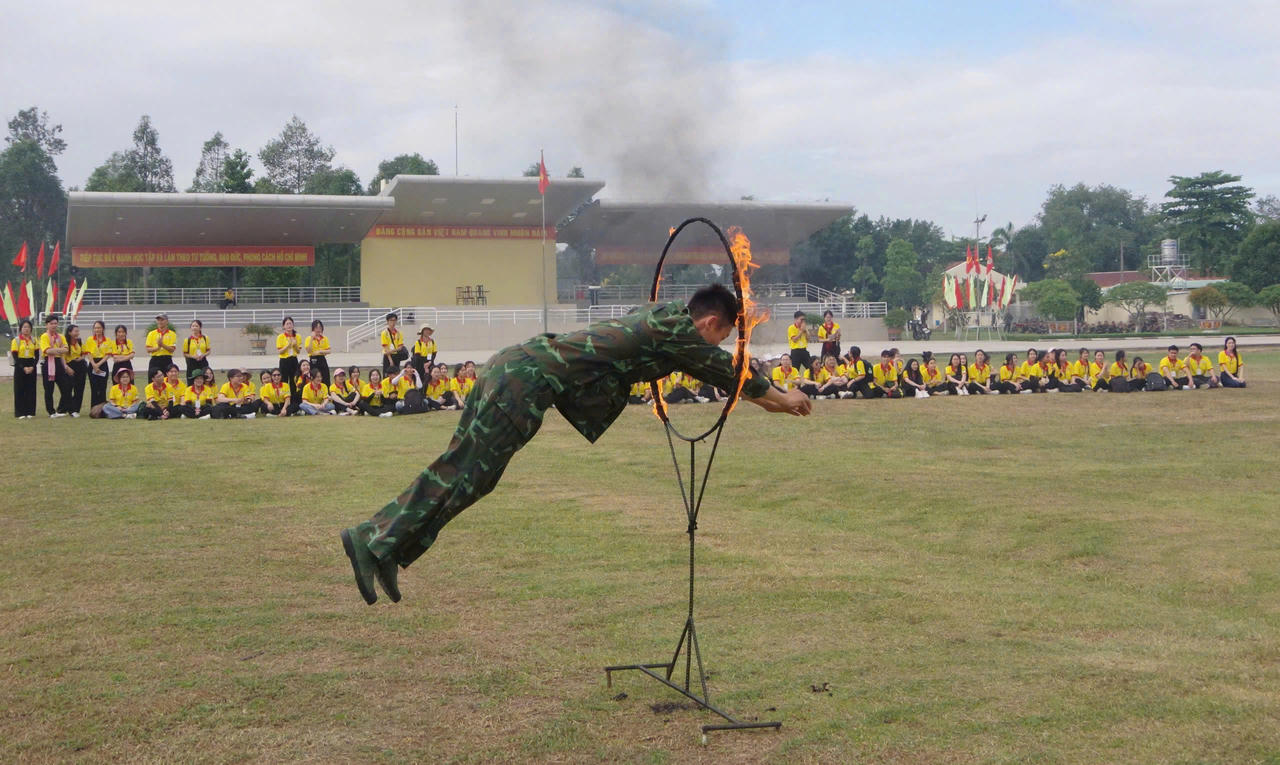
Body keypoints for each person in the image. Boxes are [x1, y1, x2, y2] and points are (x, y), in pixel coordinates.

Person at [340, 283, 811, 605]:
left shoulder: (664, 315)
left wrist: (774, 402)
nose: (718, 344)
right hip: (525, 382)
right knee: (464, 472)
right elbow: (733, 375)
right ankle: (371, 537)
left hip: (515, 368)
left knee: (470, 476)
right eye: (722, 335)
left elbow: (726, 374)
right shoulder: (681, 334)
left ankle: (390, 548)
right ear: (708, 323)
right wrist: (783, 398)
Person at [38, 315, 71, 417]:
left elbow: (66, 349)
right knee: (49, 389)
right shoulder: (44, 336)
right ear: (47, 325)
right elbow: (47, 351)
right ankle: (51, 411)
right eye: (51, 323)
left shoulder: (61, 336)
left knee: (66, 388)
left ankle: (61, 410)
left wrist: (55, 350)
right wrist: (60, 350)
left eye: (55, 323)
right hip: (48, 363)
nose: (54, 325)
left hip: (59, 363)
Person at [10, 318, 38, 418]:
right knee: (19, 389)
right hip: (20, 365)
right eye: (24, 327)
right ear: (21, 329)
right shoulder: (16, 340)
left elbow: (37, 355)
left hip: (31, 363)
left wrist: (32, 367)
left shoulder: (34, 340)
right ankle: (20, 413)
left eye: (28, 327)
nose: (26, 329)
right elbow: (15, 356)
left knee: (31, 389)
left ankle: (30, 412)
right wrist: (23, 368)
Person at [83, 320, 113, 408]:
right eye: (95, 328)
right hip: (92, 364)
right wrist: (94, 365)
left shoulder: (108, 340)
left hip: (103, 364)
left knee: (102, 387)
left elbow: (108, 355)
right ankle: (94, 409)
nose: (97, 330)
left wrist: (98, 365)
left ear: (103, 329)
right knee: (94, 388)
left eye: (99, 328)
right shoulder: (90, 339)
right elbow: (88, 353)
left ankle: (102, 409)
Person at [145, 313, 178, 381]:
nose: (160, 322)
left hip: (167, 359)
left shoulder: (172, 334)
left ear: (167, 321)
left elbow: (172, 349)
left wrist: (162, 345)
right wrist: (157, 348)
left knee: (167, 380)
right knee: (153, 380)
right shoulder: (151, 333)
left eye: (162, 320)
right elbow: (148, 349)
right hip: (155, 359)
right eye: (158, 320)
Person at [277, 317, 302, 401]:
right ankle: (284, 399)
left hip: (293, 360)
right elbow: (280, 351)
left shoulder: (297, 336)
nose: (289, 326)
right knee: (284, 380)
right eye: (287, 324)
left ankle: (294, 399)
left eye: (290, 323)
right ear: (283, 326)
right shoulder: (280, 337)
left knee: (293, 380)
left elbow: (298, 351)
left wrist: (295, 345)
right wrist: (288, 345)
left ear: (293, 325)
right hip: (284, 360)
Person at [64, 324, 87, 416]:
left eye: (78, 331)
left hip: (80, 366)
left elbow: (84, 353)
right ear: (70, 332)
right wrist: (66, 367)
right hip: (70, 366)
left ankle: (76, 409)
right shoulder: (65, 342)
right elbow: (63, 356)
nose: (77, 333)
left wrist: (81, 358)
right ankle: (68, 409)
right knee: (68, 388)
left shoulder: (79, 341)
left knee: (79, 388)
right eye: (75, 331)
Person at [183, 319, 211, 384]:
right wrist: (193, 356)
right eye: (193, 326)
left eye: (196, 326)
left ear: (200, 328)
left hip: (202, 361)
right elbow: (185, 353)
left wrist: (203, 355)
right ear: (190, 328)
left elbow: (209, 351)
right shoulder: (187, 340)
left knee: (204, 379)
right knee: (192, 380)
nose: (194, 328)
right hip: (192, 362)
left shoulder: (205, 338)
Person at [306, 319, 332, 385]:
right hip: (313, 360)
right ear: (313, 329)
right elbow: (309, 350)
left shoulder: (324, 338)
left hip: (322, 359)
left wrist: (320, 351)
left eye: (320, 327)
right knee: (314, 377)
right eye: (316, 327)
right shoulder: (308, 338)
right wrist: (312, 338)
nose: (318, 329)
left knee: (325, 378)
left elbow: (329, 351)